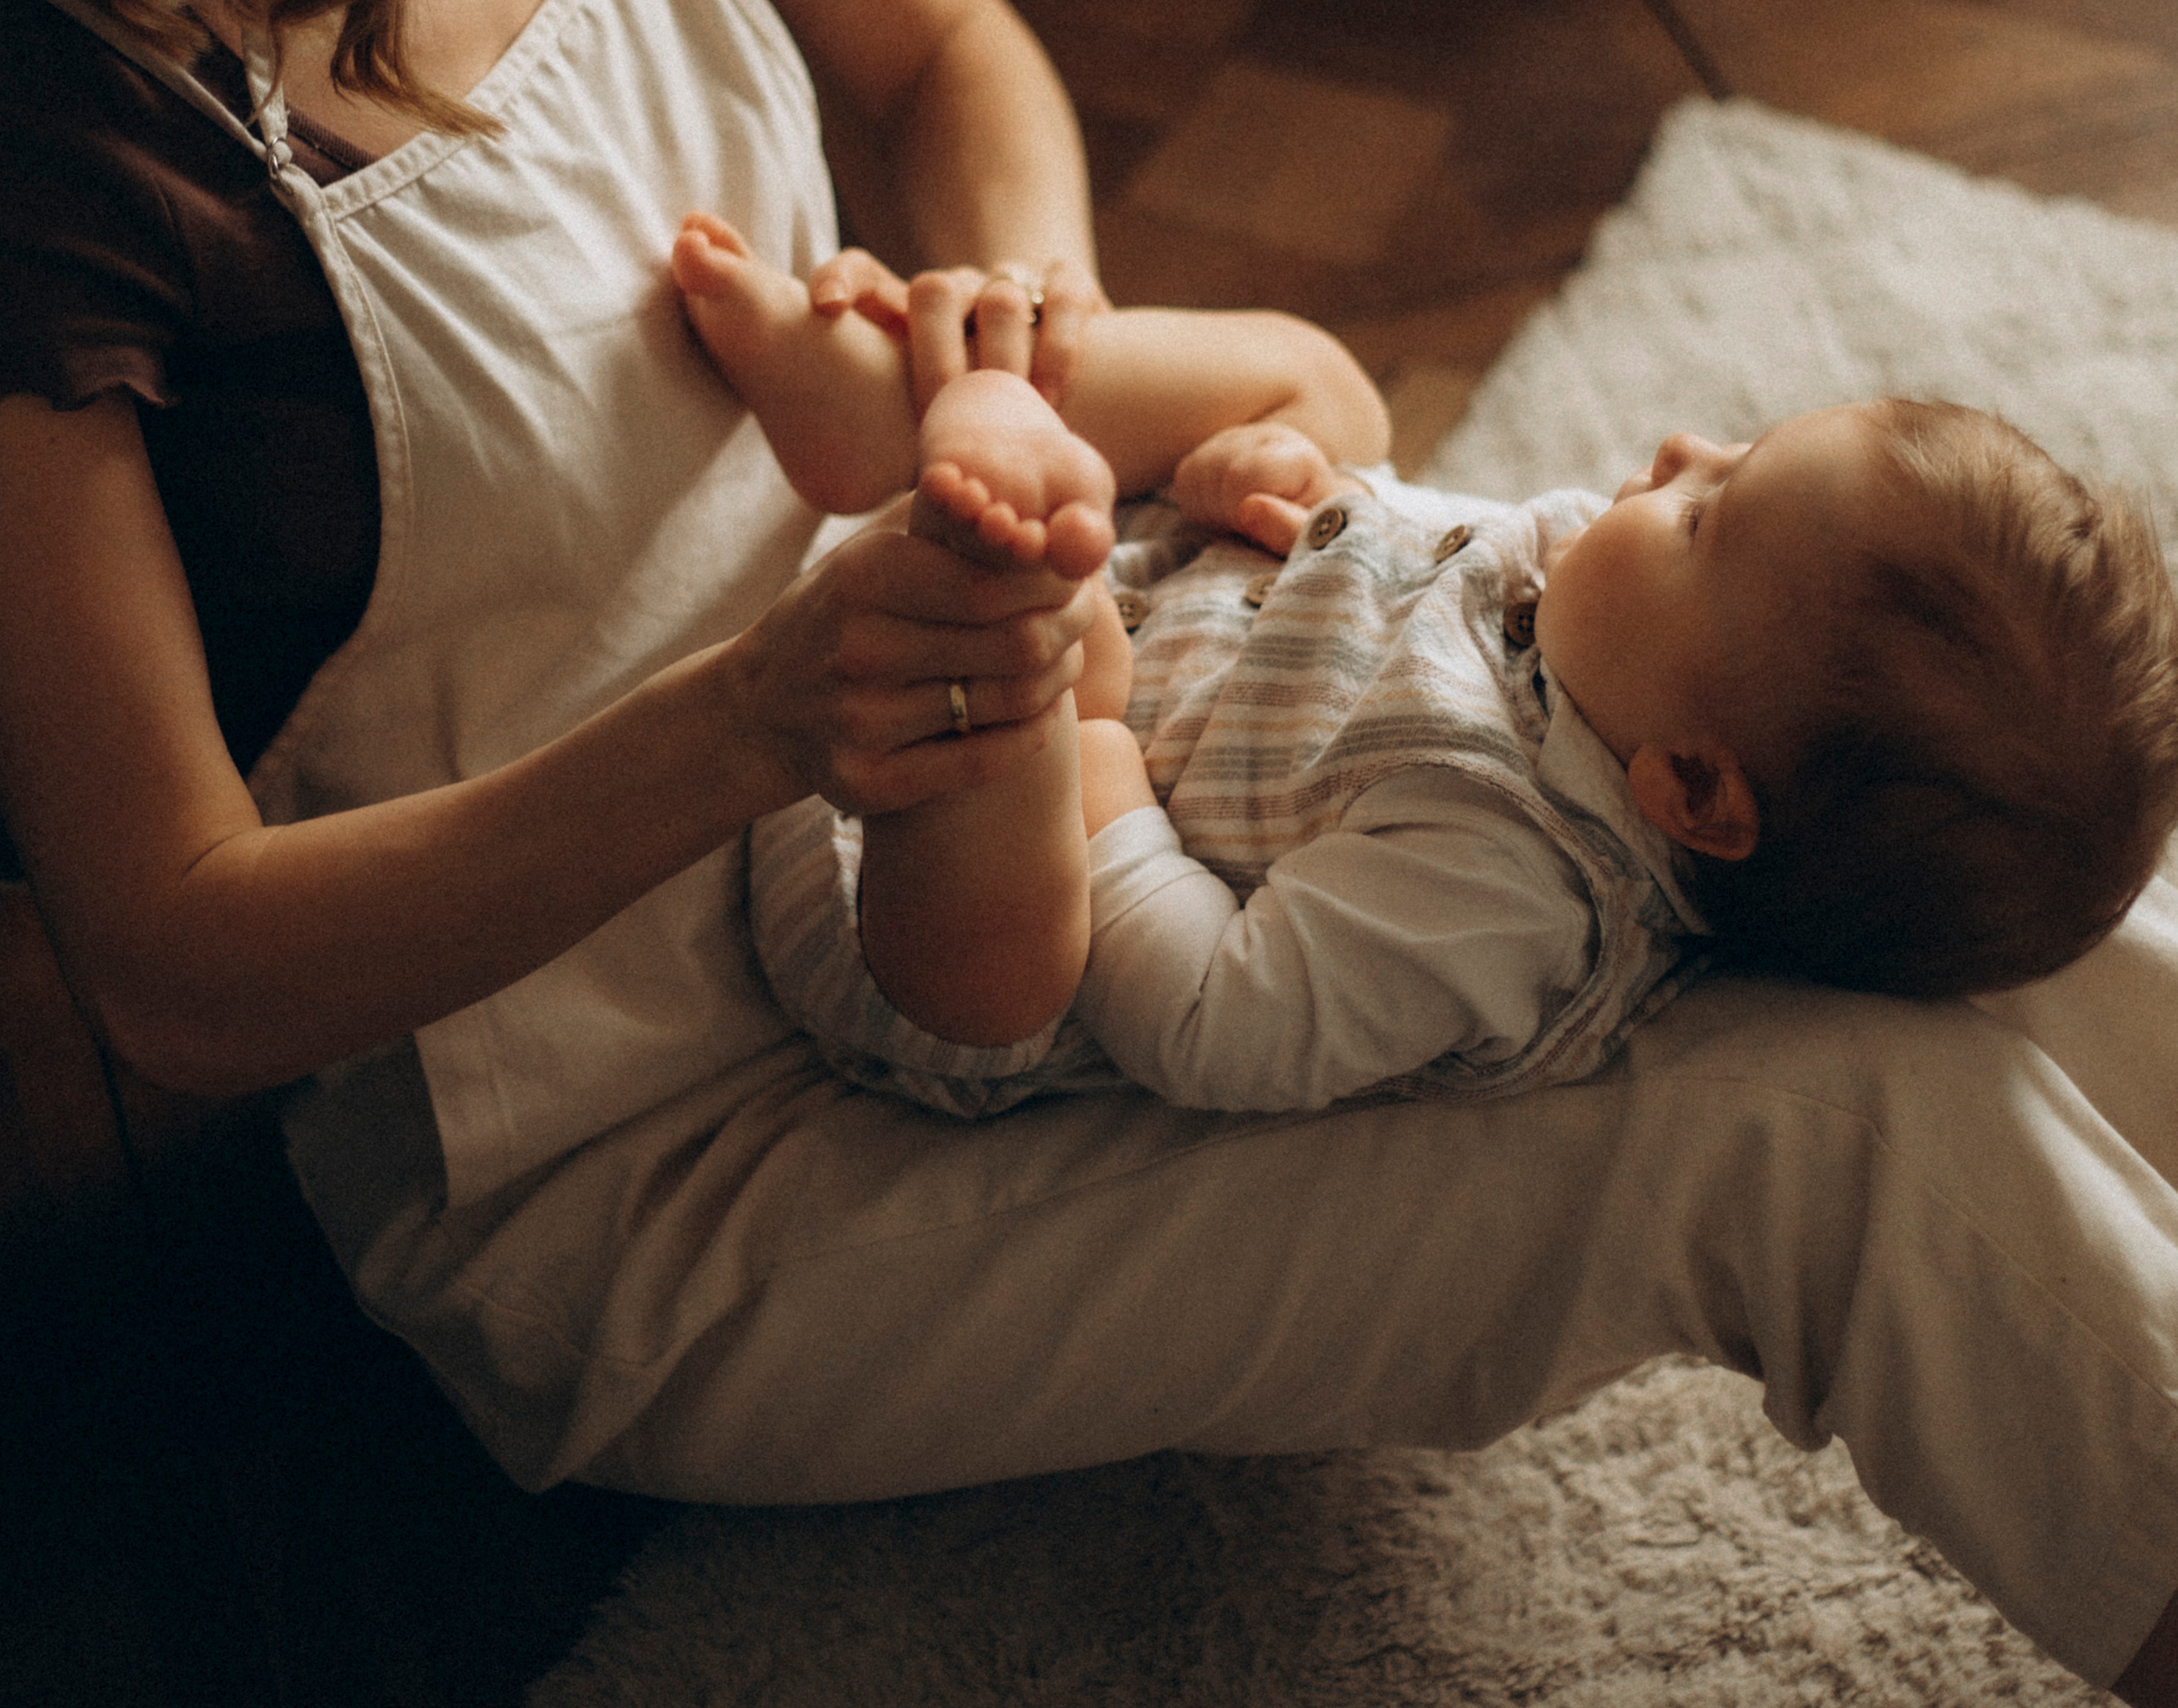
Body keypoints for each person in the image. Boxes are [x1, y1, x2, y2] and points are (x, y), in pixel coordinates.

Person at [0, 0, 2178, 1708]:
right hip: (673, 1161)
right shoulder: (39, 152)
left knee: (1914, 801)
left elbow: (945, 60)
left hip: (1044, 700)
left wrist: (1022, 340)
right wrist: (778, 711)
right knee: (1829, 1133)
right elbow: (166, 964)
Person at [672, 219, 2178, 1115]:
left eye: (1708, 512)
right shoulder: (1611, 629)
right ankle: (886, 418)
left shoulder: (1503, 883)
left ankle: (981, 504)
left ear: (1695, 791)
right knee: (1322, 382)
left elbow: (1214, 1020)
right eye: (1734, 451)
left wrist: (1101, 749)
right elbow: (1388, 539)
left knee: (1032, 712)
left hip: (923, 918)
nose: (1673, 454)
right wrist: (1275, 483)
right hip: (1152, 596)